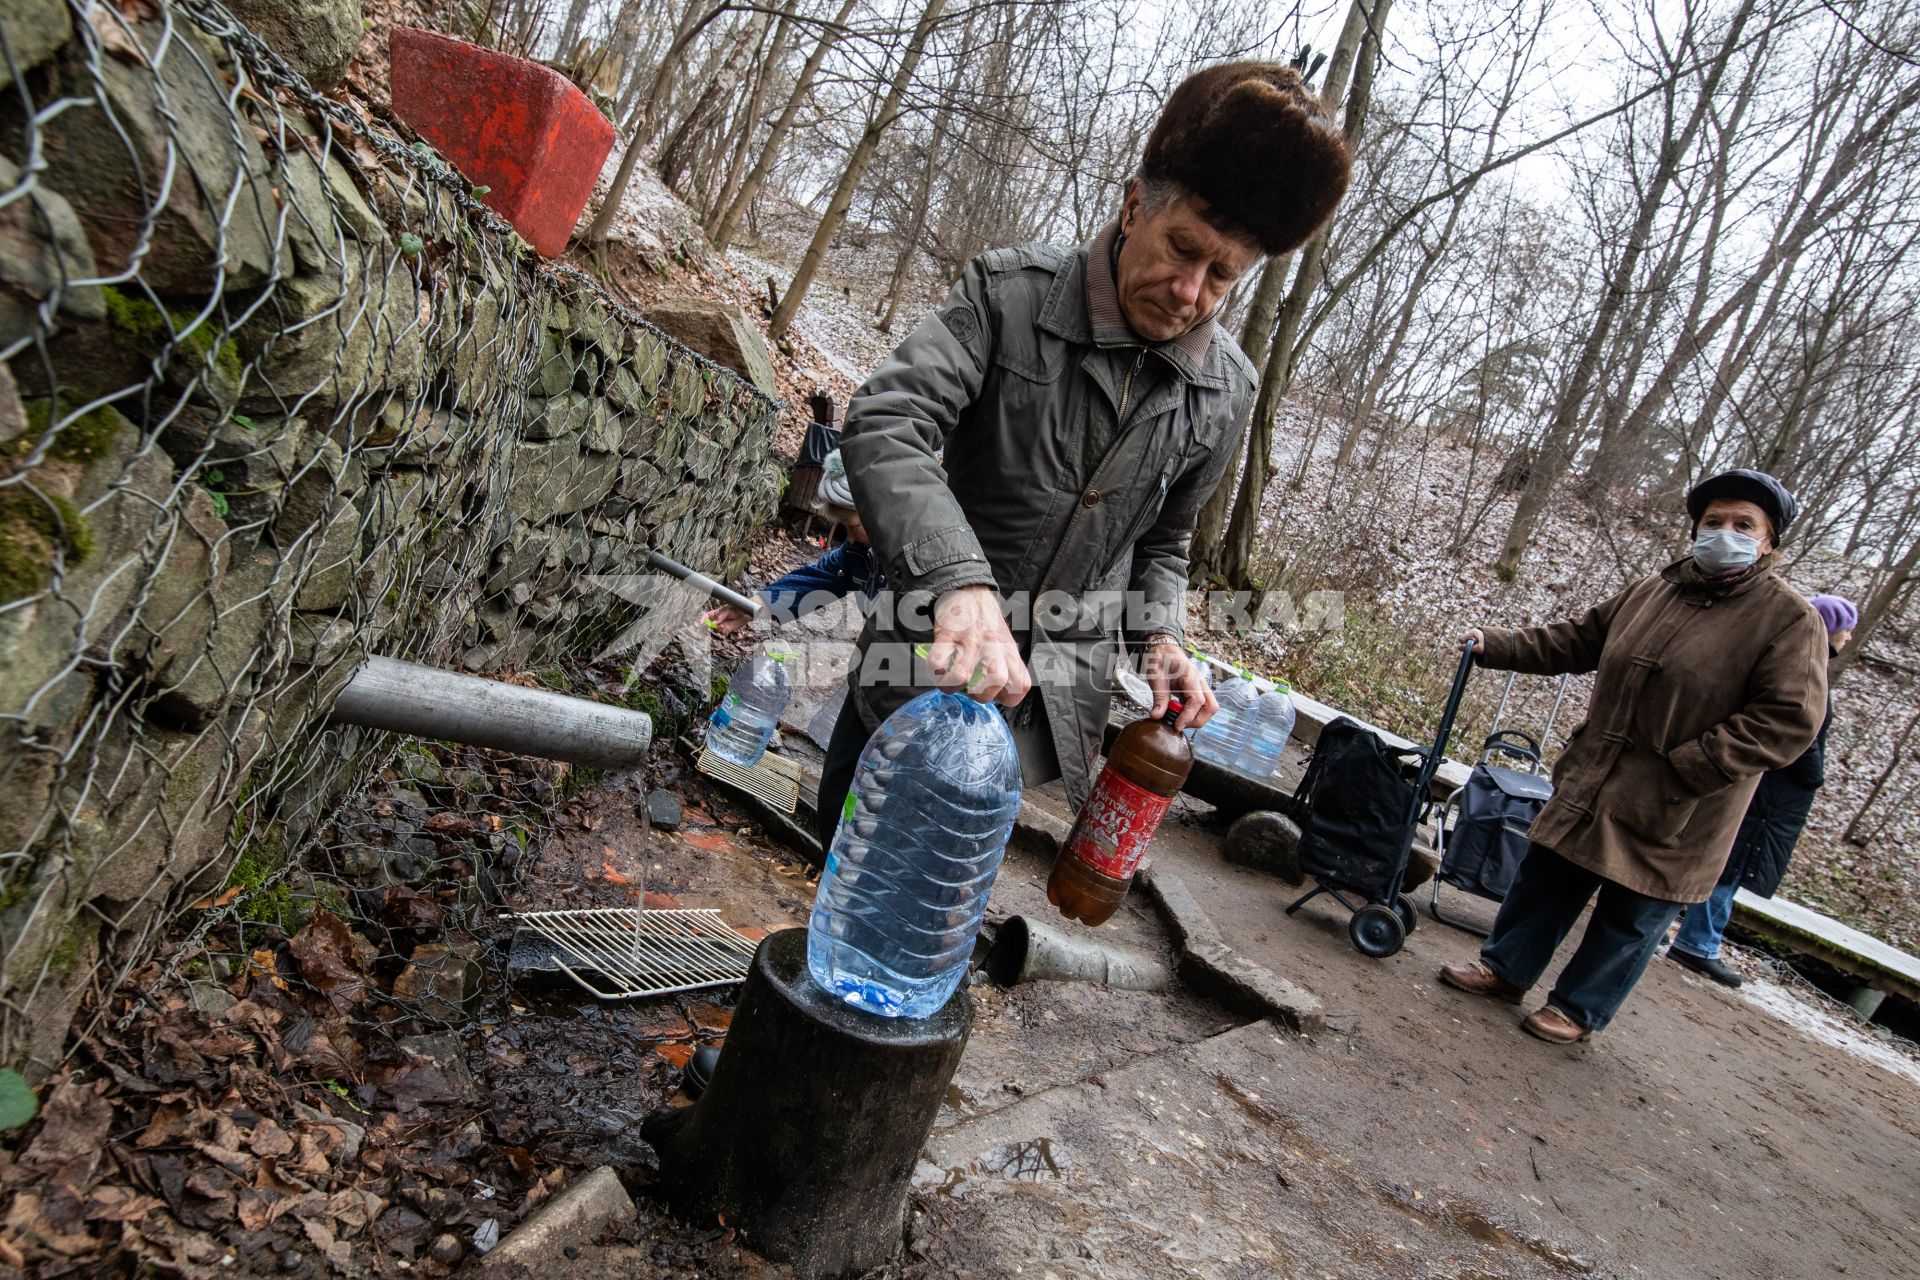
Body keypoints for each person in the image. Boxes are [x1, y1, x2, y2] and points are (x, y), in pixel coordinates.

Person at [819, 62, 1354, 848]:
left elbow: (1165, 541)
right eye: (1182, 249)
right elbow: (889, 420)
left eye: (1221, 278)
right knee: (834, 873)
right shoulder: (1009, 297)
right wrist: (958, 585)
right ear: (1135, 206)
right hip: (915, 673)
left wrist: (1163, 638)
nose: (1188, 290)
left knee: (934, 909)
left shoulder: (1225, 393)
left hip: (1042, 711)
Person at [1440, 469, 1829, 1044]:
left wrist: (1695, 764)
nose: (1726, 532)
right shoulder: (1654, 591)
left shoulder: (1790, 620)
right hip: (1600, 774)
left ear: (1769, 540)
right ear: (1696, 528)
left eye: (1744, 524)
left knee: (1635, 909)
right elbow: (1577, 639)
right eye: (1714, 521)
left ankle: (1578, 1007)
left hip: (1684, 798)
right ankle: (1504, 969)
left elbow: (1789, 718)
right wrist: (1497, 645)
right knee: (1547, 877)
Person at [1666, 592, 1855, 987]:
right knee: (1726, 866)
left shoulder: (1805, 664)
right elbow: (1798, 737)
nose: (1850, 639)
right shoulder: (1805, 671)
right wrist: (1813, 773)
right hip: (1767, 795)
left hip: (1766, 793)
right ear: (1831, 630)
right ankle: (1698, 943)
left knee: (1722, 865)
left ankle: (1693, 939)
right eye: (1846, 630)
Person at [703, 450, 883, 635]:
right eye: (845, 527)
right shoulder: (858, 552)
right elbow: (819, 579)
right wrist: (751, 608)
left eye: (854, 526)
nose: (850, 538)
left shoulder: (910, 562)